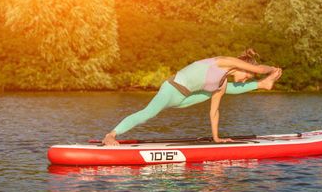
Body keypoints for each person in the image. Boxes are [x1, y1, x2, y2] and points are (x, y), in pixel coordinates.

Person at [102, 49, 282, 145]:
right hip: (171, 90)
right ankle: (110, 135)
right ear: (243, 67)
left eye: (247, 80)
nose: (243, 80)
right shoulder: (224, 61)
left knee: (222, 89)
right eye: (246, 76)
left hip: (185, 98)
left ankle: (262, 85)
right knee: (148, 113)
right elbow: (258, 69)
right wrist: (273, 70)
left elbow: (214, 112)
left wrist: (217, 138)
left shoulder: (222, 82)